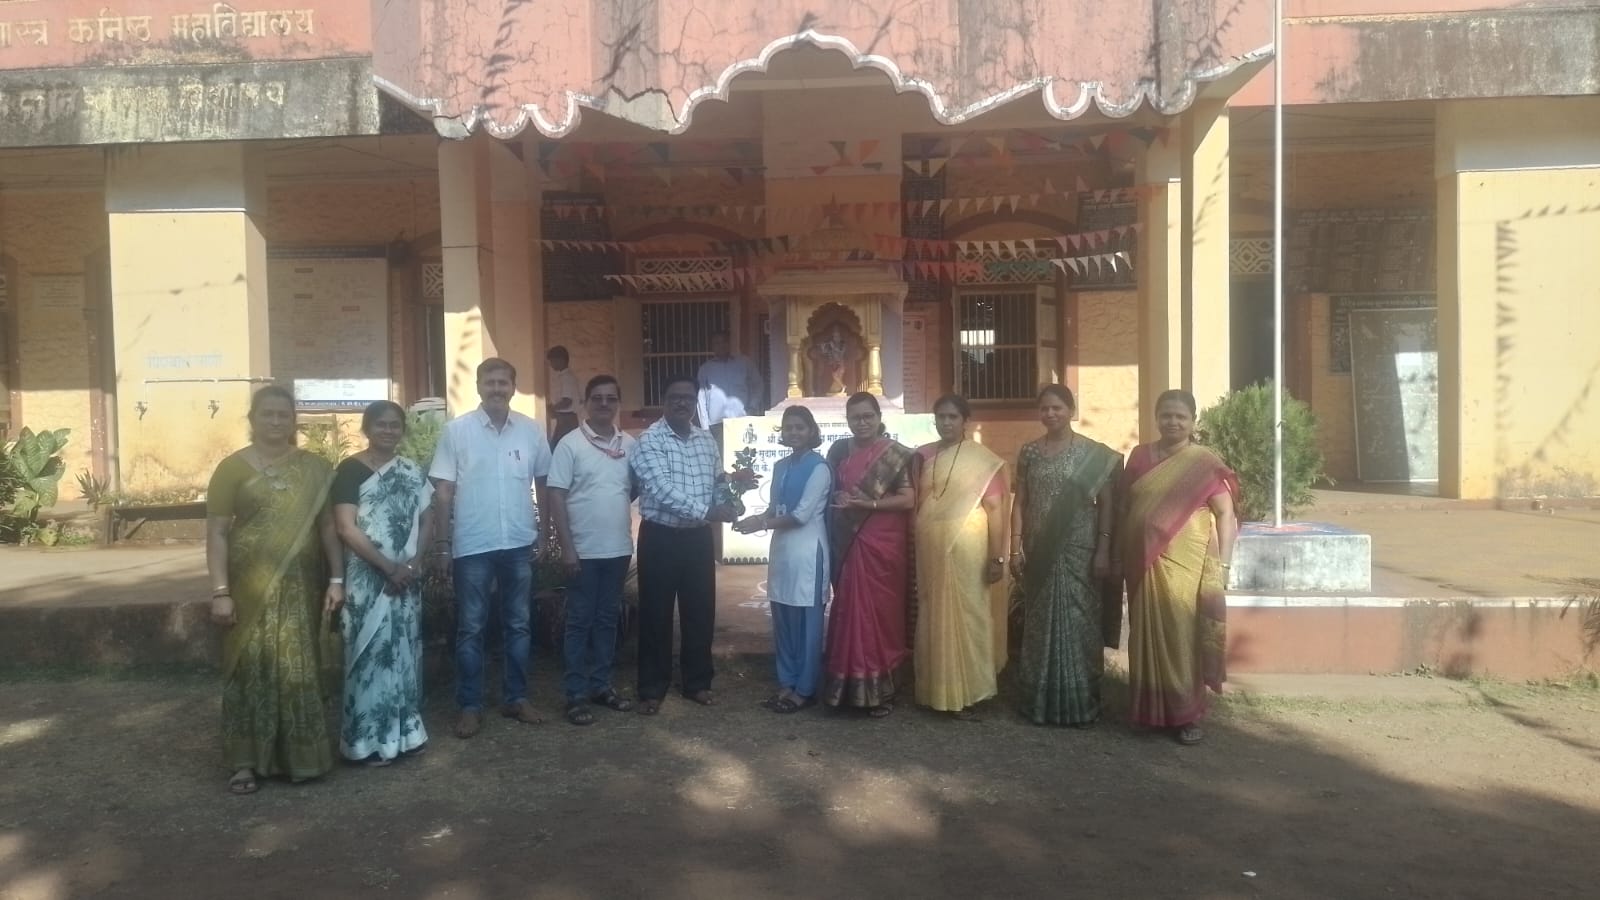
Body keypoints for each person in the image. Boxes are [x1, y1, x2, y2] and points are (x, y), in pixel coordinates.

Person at [205, 385, 342, 794]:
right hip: (249, 588)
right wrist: (220, 591)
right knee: (250, 669)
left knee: (297, 668)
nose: (277, 421)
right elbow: (216, 533)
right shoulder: (230, 469)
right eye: (268, 413)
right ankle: (245, 762)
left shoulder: (315, 468)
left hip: (303, 589)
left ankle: (299, 759)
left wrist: (337, 579)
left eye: (284, 414)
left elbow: (328, 528)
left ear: (294, 420)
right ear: (253, 419)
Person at [429, 358, 552, 739]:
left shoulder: (530, 431)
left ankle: (516, 698)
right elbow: (443, 491)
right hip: (473, 544)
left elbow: (544, 483)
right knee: (471, 627)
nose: (497, 388)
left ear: (513, 387)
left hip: (518, 542)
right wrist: (442, 545)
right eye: (490, 382)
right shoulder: (457, 431)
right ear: (479, 387)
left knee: (519, 624)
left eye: (503, 382)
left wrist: (544, 533)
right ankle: (470, 705)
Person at [1116, 389, 1239, 745]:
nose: (1173, 421)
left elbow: (1225, 513)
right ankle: (1148, 711)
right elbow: (1126, 505)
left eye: (1180, 416)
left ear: (1193, 422)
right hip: (1141, 559)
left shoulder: (1203, 463)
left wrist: (1225, 564)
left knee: (1181, 631)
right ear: (1156, 418)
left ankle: (1186, 715)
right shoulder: (1140, 456)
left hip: (1186, 561)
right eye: (1166, 415)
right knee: (1144, 632)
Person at [1009, 385, 1122, 727]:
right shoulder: (1029, 452)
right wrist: (1015, 546)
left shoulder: (1093, 454)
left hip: (1080, 551)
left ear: (1071, 410)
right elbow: (1020, 502)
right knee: (1040, 623)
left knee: (1080, 622)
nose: (1050, 414)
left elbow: (1107, 504)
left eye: (1057, 407)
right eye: (1044, 408)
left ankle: (1081, 703)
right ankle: (1039, 702)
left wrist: (1103, 549)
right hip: (1039, 550)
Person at [331, 401, 435, 764]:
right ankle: (364, 742)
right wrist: (388, 568)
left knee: (404, 652)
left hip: (406, 578)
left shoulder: (412, 470)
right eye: (381, 424)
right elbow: (345, 527)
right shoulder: (349, 471)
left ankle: (407, 734)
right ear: (367, 428)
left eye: (395, 425)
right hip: (368, 578)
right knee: (369, 655)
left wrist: (413, 563)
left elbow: (428, 519)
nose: (388, 431)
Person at [629, 374, 739, 715]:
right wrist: (708, 511)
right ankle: (652, 687)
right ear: (663, 401)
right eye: (675, 397)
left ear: (695, 403)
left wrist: (730, 502)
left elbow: (717, 481)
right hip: (660, 538)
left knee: (700, 611)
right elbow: (660, 489)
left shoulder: (706, 440)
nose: (682, 403)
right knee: (655, 613)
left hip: (698, 540)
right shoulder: (649, 440)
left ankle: (697, 683)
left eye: (688, 398)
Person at [547, 374, 637, 726]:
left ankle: (601, 685)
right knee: (579, 622)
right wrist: (567, 548)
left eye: (611, 398)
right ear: (585, 403)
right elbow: (556, 495)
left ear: (618, 403)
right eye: (597, 397)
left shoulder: (629, 444)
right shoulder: (570, 444)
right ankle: (575, 694)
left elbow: (631, 489)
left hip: (618, 549)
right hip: (582, 552)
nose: (604, 404)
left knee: (606, 620)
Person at [912, 393, 1010, 719]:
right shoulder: (925, 455)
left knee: (969, 613)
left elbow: (995, 509)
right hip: (931, 548)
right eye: (941, 417)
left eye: (953, 417)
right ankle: (937, 691)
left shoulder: (982, 459)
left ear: (966, 421)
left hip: (968, 546)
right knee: (933, 614)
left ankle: (971, 692)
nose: (946, 423)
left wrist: (996, 557)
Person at [822, 392, 916, 718]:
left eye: (867, 416)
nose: (861, 423)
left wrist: (869, 504)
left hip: (882, 545)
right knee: (849, 610)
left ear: (878, 418)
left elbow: (908, 499)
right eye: (855, 417)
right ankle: (846, 689)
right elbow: (831, 491)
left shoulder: (894, 454)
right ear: (847, 420)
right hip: (849, 542)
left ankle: (882, 692)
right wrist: (838, 495)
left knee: (880, 615)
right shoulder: (839, 452)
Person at [735, 406, 831, 714]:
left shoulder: (820, 468)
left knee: (807, 624)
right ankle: (787, 683)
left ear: (811, 431)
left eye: (800, 427)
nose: (793, 432)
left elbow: (801, 515)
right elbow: (775, 508)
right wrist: (752, 520)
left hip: (808, 552)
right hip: (782, 550)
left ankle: (805, 690)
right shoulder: (780, 466)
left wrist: (762, 524)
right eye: (788, 427)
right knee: (783, 619)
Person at [696, 330, 764, 448]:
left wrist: (752, 406)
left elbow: (758, 385)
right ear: (712, 346)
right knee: (720, 457)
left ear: (729, 344)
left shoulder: (744, 363)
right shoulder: (705, 369)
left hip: (741, 421)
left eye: (724, 342)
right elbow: (700, 399)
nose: (721, 346)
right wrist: (705, 428)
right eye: (717, 343)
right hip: (716, 425)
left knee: (743, 455)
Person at [547, 346, 580, 448]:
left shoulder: (567, 377)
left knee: (557, 448)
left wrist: (552, 408)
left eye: (552, 361)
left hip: (567, 420)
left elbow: (567, 401)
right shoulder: (563, 376)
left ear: (561, 360)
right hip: (564, 419)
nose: (551, 364)